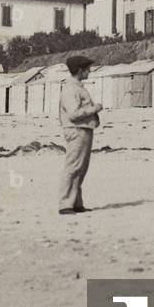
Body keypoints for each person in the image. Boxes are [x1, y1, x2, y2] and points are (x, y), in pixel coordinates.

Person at [58, 55, 103, 214]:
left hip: (83, 129)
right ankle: (65, 204)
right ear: (79, 70)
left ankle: (75, 203)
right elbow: (74, 114)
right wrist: (94, 109)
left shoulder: (77, 87)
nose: (89, 71)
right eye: (86, 69)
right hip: (76, 130)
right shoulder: (71, 89)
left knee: (80, 168)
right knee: (73, 167)